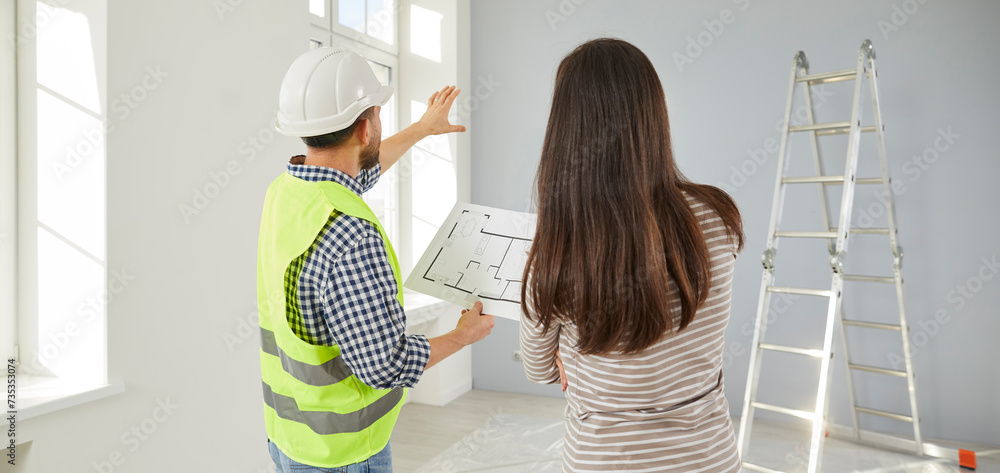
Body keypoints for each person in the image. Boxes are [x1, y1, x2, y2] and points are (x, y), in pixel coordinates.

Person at [257, 47, 495, 473]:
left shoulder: (287, 192)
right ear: (366, 128)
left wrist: (422, 129)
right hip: (345, 456)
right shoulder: (351, 233)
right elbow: (385, 365)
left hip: (290, 439)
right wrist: (463, 335)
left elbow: (358, 171)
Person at [519, 38, 746, 473]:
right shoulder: (719, 215)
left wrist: (578, 357)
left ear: (566, 130)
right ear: (652, 115)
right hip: (709, 458)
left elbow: (540, 369)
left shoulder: (558, 249)